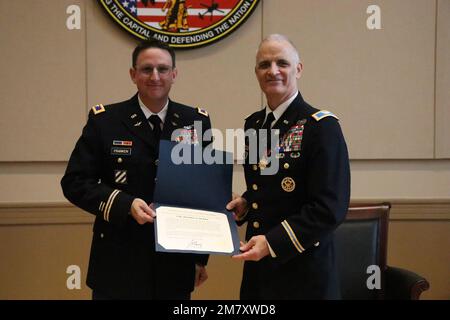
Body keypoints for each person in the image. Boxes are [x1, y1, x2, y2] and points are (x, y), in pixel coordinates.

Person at [61, 39, 211, 300]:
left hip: (174, 264)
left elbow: (202, 190)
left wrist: (200, 258)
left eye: (163, 69)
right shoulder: (105, 121)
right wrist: (124, 203)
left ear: (174, 74)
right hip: (118, 262)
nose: (155, 76)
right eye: (146, 69)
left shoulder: (195, 121)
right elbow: (74, 182)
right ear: (133, 74)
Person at [226, 34, 351, 299]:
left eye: (282, 62)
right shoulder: (254, 125)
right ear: (256, 72)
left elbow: (330, 208)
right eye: (264, 65)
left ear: (299, 69)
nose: (273, 71)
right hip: (258, 272)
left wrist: (272, 243)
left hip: (303, 275)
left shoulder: (321, 127)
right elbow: (268, 188)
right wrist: (247, 203)